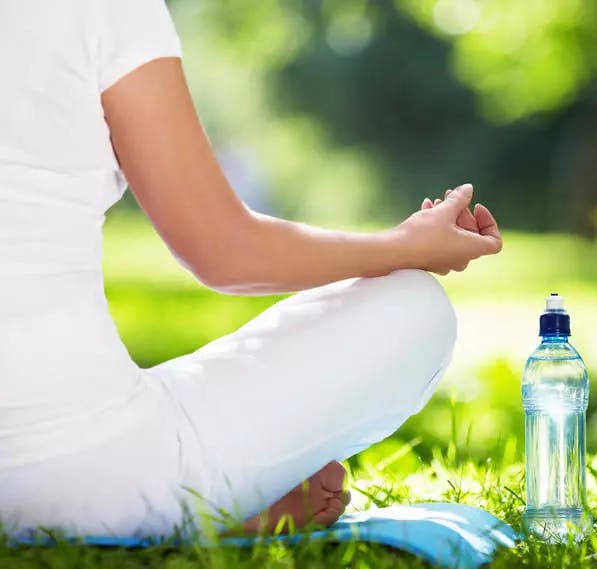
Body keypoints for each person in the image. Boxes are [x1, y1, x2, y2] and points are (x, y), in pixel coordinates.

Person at [0, 0, 502, 541]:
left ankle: (206, 500)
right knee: (412, 308)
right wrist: (406, 247)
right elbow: (223, 250)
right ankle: (192, 509)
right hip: (79, 473)